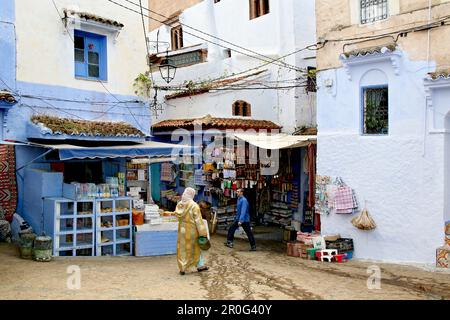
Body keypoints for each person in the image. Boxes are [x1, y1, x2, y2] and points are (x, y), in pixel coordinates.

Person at [174, 187, 209, 275]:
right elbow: (198, 221)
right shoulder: (194, 206)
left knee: (182, 249)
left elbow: (177, 216)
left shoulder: (179, 204)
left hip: (182, 230)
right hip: (192, 231)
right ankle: (199, 265)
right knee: (195, 249)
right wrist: (203, 233)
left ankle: (182, 268)